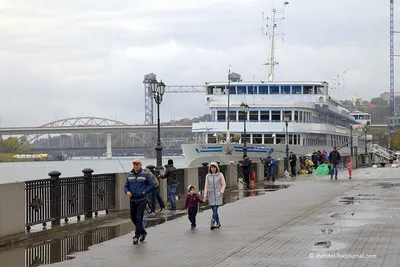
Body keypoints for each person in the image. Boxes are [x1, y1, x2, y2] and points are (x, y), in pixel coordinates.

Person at [124, 159, 153, 245]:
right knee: (133, 217)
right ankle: (143, 232)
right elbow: (126, 186)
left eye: (137, 164)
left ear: (140, 165)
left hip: (142, 199)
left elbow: (151, 185)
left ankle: (136, 236)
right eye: (134, 164)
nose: (135, 166)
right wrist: (127, 192)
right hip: (132, 199)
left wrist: (144, 192)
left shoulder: (145, 174)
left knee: (138, 218)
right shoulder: (129, 175)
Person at [203, 162, 226, 230]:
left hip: (218, 194)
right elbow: (206, 186)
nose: (213, 169)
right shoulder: (208, 176)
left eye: (214, 167)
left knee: (215, 208)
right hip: (211, 195)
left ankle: (212, 221)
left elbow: (224, 184)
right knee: (213, 209)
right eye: (212, 167)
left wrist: (221, 191)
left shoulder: (220, 175)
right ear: (210, 168)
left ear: (216, 168)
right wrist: (205, 195)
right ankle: (218, 222)